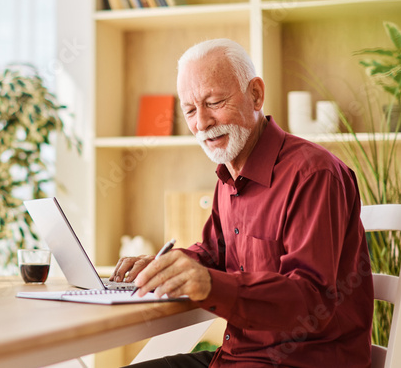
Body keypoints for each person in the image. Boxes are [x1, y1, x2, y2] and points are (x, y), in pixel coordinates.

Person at [110, 38, 373, 367]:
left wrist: (209, 283)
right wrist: (166, 266)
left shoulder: (314, 174)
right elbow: (211, 254)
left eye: (215, 102)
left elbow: (311, 299)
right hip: (239, 358)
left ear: (256, 95)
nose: (202, 123)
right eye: (190, 110)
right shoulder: (229, 174)